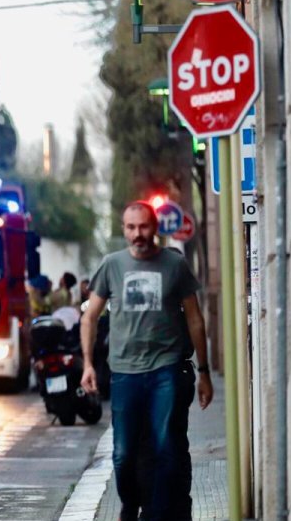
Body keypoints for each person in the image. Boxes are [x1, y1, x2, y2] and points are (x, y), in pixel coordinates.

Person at [80, 202, 213, 521]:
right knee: (123, 454)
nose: (137, 234)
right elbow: (90, 317)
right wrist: (87, 363)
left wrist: (205, 371)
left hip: (167, 368)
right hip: (125, 372)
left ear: (154, 227)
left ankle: (156, 512)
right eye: (130, 227)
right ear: (124, 229)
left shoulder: (174, 265)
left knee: (166, 445)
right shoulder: (112, 265)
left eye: (143, 227)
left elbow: (195, 319)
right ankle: (131, 500)